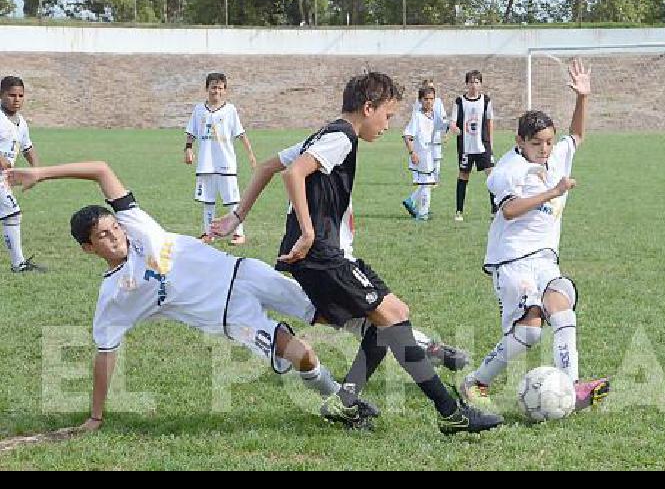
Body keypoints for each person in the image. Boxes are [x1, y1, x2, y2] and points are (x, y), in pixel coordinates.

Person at [213, 72, 502, 434]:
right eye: (387, 115)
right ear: (368, 108)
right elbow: (293, 175)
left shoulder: (325, 133)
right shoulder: (342, 137)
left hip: (322, 257)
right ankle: (449, 413)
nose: (387, 125)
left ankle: (346, 402)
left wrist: (237, 215)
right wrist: (306, 230)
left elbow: (271, 165)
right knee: (393, 316)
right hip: (322, 256)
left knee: (384, 325)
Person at [6, 160, 378, 432]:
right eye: (102, 236)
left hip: (243, 273)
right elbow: (105, 355)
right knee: (303, 354)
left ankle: (411, 342)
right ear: (88, 249)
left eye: (113, 227)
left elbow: (102, 169)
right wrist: (96, 416)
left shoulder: (139, 227)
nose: (115, 236)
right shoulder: (114, 297)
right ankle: (343, 404)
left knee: (330, 313)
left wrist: (41, 173)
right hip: (231, 319)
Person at [459, 59, 610, 414]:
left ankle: (572, 388)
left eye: (548, 142)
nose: (545, 149)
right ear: (520, 142)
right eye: (537, 143)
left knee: (562, 307)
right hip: (511, 260)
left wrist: (582, 98)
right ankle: (476, 381)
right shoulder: (506, 171)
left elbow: (577, 136)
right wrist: (553, 192)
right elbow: (509, 210)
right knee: (529, 333)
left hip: (544, 258)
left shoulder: (556, 155)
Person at [184, 72, 257, 245]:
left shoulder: (230, 110)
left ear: (225, 90)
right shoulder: (199, 110)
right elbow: (191, 132)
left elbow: (240, 134)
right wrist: (187, 149)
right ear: (207, 88)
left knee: (232, 200)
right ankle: (209, 233)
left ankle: (239, 233)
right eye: (213, 87)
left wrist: (251, 155)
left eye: (220, 88)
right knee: (207, 200)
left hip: (226, 163)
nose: (216, 91)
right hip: (206, 163)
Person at [0, 76, 45, 273]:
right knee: (12, 213)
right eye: (11, 95)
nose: (16, 99)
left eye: (20, 95)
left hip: (4, 177)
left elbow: (27, 147)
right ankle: (18, 264)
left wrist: (37, 170)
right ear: (1, 95)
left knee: (11, 213)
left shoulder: (21, 122)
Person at [449, 70, 495, 221]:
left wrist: (490, 142)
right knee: (463, 175)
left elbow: (489, 121)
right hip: (466, 145)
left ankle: (494, 210)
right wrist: (454, 128)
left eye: (477, 82)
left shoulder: (486, 100)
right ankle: (459, 211)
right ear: (466, 84)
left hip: (483, 145)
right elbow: (453, 121)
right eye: (471, 82)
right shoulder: (459, 101)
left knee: (491, 175)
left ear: (480, 84)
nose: (474, 85)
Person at [401, 86, 449, 221]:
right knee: (427, 184)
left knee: (427, 183)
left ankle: (412, 202)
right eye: (426, 99)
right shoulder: (417, 116)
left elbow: (444, 126)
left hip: (432, 154)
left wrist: (453, 128)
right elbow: (407, 136)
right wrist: (412, 153)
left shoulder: (435, 116)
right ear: (420, 100)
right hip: (421, 155)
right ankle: (422, 214)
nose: (429, 102)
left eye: (431, 99)